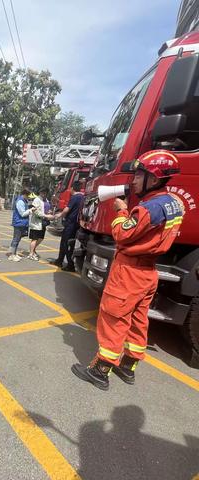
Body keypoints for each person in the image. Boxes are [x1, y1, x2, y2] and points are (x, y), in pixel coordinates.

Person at [72, 150, 183, 391]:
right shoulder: (175, 203)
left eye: (139, 175)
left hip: (130, 272)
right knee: (138, 320)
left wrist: (122, 210)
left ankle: (101, 370)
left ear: (153, 179)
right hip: (148, 272)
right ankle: (128, 365)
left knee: (114, 318)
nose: (133, 180)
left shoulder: (146, 209)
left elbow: (122, 234)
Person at [51, 181, 83, 271]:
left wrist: (59, 215)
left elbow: (66, 209)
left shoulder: (75, 197)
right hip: (76, 224)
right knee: (69, 244)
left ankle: (70, 265)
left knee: (66, 243)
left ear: (72, 188)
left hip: (70, 224)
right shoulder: (82, 197)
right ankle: (60, 261)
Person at [27, 188, 54, 260]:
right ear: (40, 192)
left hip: (44, 222)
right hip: (37, 222)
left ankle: (33, 250)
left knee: (41, 238)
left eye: (45, 192)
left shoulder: (46, 200)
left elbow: (45, 209)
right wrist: (45, 215)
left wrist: (49, 212)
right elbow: (35, 211)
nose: (44, 193)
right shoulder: (37, 200)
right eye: (42, 192)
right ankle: (31, 254)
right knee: (34, 238)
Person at [9, 188, 35, 262]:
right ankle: (12, 255)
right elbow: (22, 214)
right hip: (18, 223)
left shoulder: (24, 200)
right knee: (16, 239)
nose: (28, 197)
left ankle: (14, 253)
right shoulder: (20, 201)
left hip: (22, 223)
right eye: (28, 195)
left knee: (18, 239)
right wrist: (31, 210)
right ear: (24, 194)